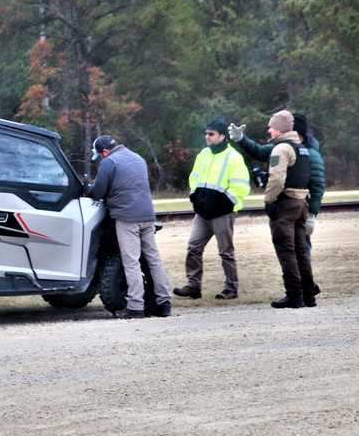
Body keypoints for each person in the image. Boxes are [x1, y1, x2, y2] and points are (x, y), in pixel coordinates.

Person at [229, 111, 324, 296]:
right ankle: (308, 291)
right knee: (300, 251)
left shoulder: (290, 150)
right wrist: (241, 139)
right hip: (300, 206)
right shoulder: (297, 149)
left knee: (289, 250)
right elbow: (257, 150)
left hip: (291, 206)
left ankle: (296, 293)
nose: (269, 130)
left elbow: (315, 185)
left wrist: (312, 214)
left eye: (272, 127)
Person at [88, 134, 173, 319]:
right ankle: (164, 303)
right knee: (153, 259)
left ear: (104, 151)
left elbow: (98, 192)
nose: (101, 158)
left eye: (100, 155)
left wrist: (88, 188)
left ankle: (135, 307)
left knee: (131, 261)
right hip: (148, 216)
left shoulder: (109, 162)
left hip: (127, 218)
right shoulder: (138, 158)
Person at [173, 118, 251, 301]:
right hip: (203, 213)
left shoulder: (233, 157)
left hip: (223, 213)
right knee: (193, 247)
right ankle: (193, 286)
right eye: (206, 133)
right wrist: (195, 198)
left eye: (211, 134)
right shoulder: (203, 155)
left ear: (222, 136)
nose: (207, 137)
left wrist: (225, 204)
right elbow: (194, 178)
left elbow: (241, 187)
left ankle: (231, 289)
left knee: (226, 252)